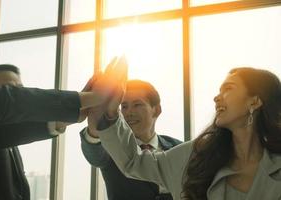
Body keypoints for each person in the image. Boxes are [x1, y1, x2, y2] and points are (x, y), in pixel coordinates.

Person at [88, 67, 281, 200]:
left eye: (228, 89)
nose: (216, 97)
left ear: (254, 102)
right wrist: (111, 113)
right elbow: (134, 162)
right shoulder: (192, 157)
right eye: (219, 90)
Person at [0, 58, 123, 200]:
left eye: (21, 87)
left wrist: (75, 110)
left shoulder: (9, 140)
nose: (20, 92)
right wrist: (88, 99)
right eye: (10, 89)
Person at [81, 80, 181, 200]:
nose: (129, 112)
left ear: (156, 110)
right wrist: (94, 131)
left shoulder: (179, 148)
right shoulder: (114, 147)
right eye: (124, 106)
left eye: (137, 105)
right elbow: (95, 155)